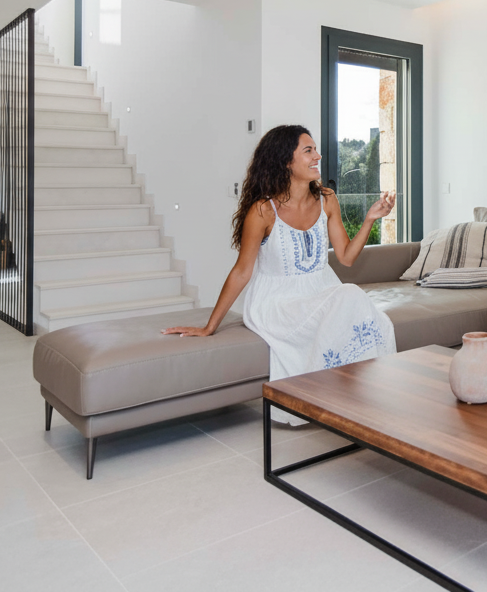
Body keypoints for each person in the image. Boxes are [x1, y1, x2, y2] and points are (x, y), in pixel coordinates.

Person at [162, 125, 397, 424]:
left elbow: (347, 258)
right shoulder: (263, 210)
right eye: (308, 151)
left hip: (322, 291)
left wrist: (370, 219)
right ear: (286, 161)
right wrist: (210, 326)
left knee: (368, 313)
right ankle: (347, 401)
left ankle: (363, 399)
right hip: (277, 303)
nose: (318, 156)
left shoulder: (327, 199)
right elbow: (241, 272)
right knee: (351, 296)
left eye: (316, 150)